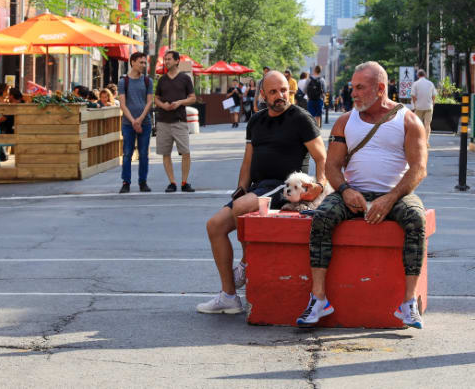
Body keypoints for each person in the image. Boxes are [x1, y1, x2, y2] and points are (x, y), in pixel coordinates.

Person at [296, 61, 429, 329]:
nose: (353, 93)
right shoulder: (345, 121)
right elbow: (332, 166)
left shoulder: (408, 120)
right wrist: (346, 191)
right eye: (352, 87)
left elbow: (418, 169)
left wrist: (390, 198)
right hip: (353, 192)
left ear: (380, 88)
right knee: (322, 216)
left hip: (395, 194)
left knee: (416, 219)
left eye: (360, 88)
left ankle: (408, 302)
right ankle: (319, 299)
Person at [198, 72, 327, 315]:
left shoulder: (301, 118)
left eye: (284, 90)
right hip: (259, 187)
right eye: (274, 92)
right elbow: (247, 162)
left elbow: (322, 157)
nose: (280, 96)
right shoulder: (256, 121)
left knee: (241, 208)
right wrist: (241, 189)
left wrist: (319, 185)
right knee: (214, 226)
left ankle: (245, 263)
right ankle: (229, 296)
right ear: (263, 95)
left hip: (287, 185)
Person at [155, 49, 197, 192]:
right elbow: (156, 98)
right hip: (163, 121)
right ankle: (172, 183)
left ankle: (184, 182)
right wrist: (163, 106)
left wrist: (180, 103)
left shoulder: (185, 79)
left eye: (169, 59)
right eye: (165, 59)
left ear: (177, 60)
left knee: (186, 152)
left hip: (180, 121)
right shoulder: (162, 79)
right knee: (165, 153)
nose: (166, 62)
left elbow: (193, 98)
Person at [119, 52, 154, 193]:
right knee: (127, 153)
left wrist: (139, 120)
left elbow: (149, 102)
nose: (143, 65)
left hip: (145, 123)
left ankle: (143, 182)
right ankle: (126, 182)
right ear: (132, 62)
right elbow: (122, 104)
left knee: (143, 153)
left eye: (145, 63)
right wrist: (133, 121)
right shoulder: (123, 82)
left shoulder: (147, 81)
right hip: (128, 124)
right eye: (141, 62)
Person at [410, 69, 437, 141]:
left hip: (418, 107)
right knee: (427, 124)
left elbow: (413, 96)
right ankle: (426, 141)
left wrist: (414, 105)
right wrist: (433, 103)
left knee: (417, 124)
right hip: (428, 107)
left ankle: (418, 140)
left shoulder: (415, 84)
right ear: (425, 75)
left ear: (417, 75)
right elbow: (434, 95)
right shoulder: (430, 83)